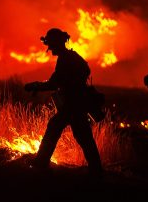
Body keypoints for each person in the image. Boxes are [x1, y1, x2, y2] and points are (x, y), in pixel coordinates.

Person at [24, 28, 103, 177]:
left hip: (73, 105)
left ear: (56, 43)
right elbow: (85, 70)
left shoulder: (65, 59)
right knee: (82, 135)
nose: (50, 48)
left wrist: (35, 86)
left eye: (51, 44)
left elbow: (54, 83)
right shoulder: (71, 56)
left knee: (58, 128)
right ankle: (96, 170)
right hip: (75, 103)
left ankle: (40, 164)